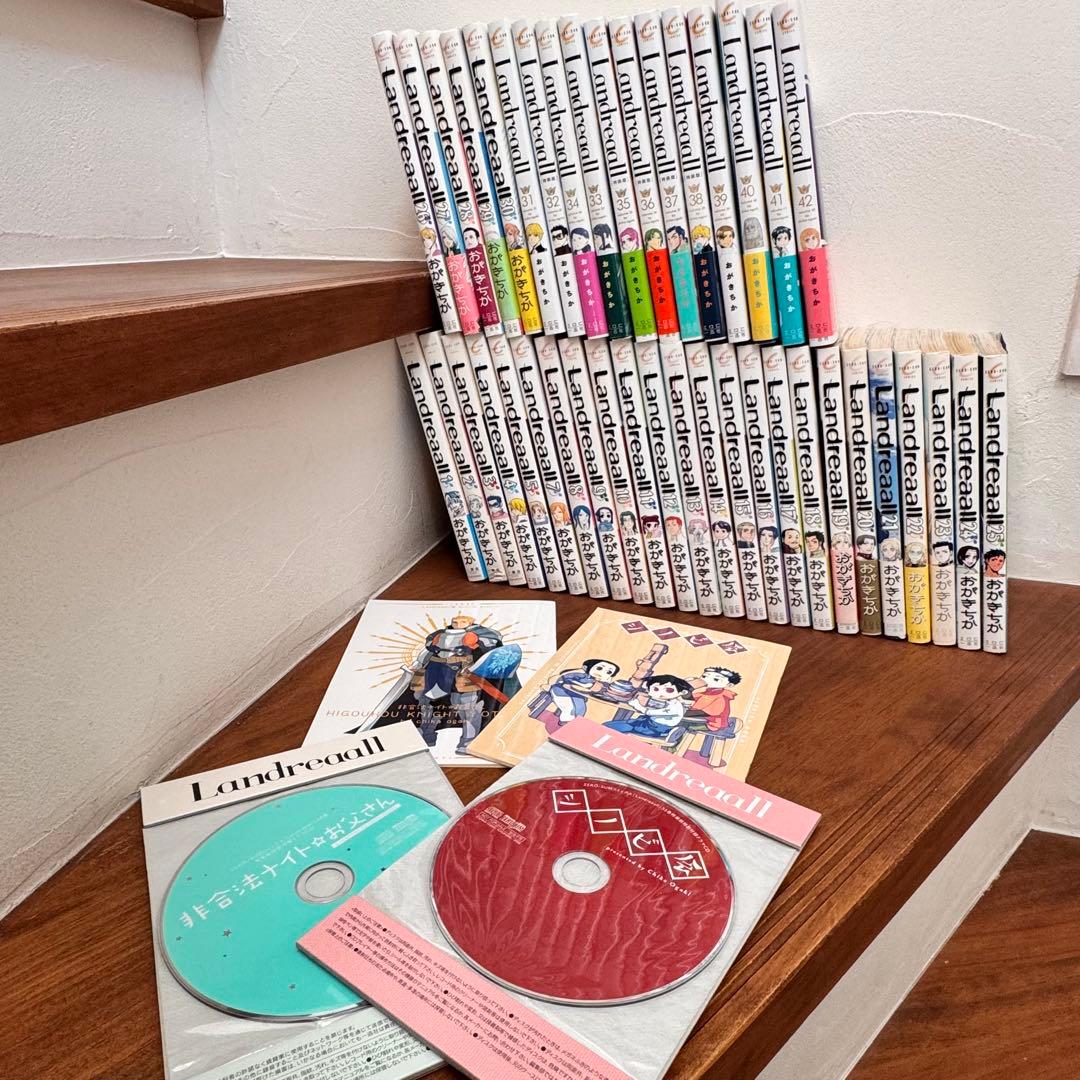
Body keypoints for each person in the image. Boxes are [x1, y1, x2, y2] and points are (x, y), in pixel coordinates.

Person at [663, 666, 742, 767]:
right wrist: (687, 688)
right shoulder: (705, 693)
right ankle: (669, 743)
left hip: (711, 724)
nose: (707, 680)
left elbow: (710, 712)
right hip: (700, 719)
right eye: (704, 676)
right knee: (677, 720)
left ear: (729, 685)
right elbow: (690, 698)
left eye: (716, 679)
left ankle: (673, 748)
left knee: (682, 724)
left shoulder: (722, 696)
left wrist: (684, 713)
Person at [604, 674, 694, 740]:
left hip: (656, 727)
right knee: (613, 725)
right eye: (655, 689)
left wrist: (636, 705)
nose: (660, 693)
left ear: (682, 692)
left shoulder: (675, 706)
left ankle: (666, 734)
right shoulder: (667, 702)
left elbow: (650, 712)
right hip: (647, 722)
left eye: (669, 690)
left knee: (613, 727)